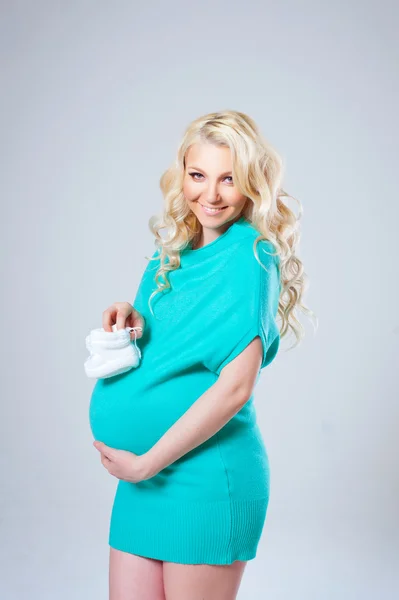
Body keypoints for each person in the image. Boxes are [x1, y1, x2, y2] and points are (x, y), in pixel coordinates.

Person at [89, 110, 316, 600]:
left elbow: (235, 387)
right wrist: (131, 315)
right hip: (143, 481)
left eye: (228, 179)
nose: (210, 195)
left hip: (204, 478)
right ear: (183, 174)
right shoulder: (172, 247)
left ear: (251, 183)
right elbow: (176, 338)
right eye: (198, 176)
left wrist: (147, 464)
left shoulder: (252, 254)